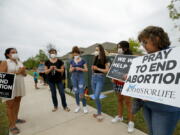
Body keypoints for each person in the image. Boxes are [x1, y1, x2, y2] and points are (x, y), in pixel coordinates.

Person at [138, 26, 180, 135]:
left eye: (145, 42)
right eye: (142, 43)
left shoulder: (175, 55)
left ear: (156, 39)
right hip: (147, 106)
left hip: (165, 110)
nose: (143, 46)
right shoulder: (147, 59)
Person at [0, 48, 26, 134]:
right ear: (8, 54)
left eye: (16, 52)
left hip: (19, 85)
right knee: (10, 105)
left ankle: (16, 118)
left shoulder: (19, 61)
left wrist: (23, 71)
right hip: (9, 86)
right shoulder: (5, 62)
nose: (15, 53)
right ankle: (12, 126)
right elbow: (2, 75)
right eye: (13, 52)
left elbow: (25, 74)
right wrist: (17, 72)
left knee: (17, 103)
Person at [111, 41, 134, 133]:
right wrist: (112, 76)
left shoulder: (132, 59)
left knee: (128, 103)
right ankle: (120, 116)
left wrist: (129, 75)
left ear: (125, 48)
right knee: (119, 100)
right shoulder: (117, 57)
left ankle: (131, 122)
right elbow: (115, 68)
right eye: (117, 47)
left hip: (126, 84)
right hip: (117, 83)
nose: (118, 49)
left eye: (119, 47)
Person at [91, 44, 109, 121]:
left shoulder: (106, 59)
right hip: (93, 77)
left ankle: (100, 114)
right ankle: (98, 113)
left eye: (97, 50)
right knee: (96, 97)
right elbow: (93, 68)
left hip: (100, 78)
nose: (96, 51)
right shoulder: (95, 58)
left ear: (101, 50)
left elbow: (107, 70)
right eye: (95, 50)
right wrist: (93, 69)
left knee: (97, 96)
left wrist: (97, 68)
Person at [69, 46, 88, 114]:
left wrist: (80, 69)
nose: (75, 54)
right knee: (76, 93)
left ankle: (85, 106)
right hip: (74, 78)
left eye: (76, 53)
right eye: (74, 53)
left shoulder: (83, 60)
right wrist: (73, 69)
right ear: (72, 54)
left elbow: (86, 69)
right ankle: (78, 106)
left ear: (79, 53)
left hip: (80, 78)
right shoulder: (71, 61)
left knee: (81, 93)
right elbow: (70, 70)